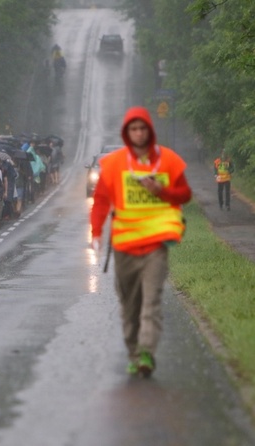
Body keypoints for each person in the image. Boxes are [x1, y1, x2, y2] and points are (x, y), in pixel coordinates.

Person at [90, 106, 192, 377]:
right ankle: (134, 352)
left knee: (151, 301)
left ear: (150, 130)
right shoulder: (113, 164)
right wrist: (96, 233)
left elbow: (184, 195)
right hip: (125, 247)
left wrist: (162, 190)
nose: (138, 133)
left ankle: (146, 352)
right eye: (133, 129)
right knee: (130, 305)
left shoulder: (168, 161)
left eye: (142, 128)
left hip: (156, 246)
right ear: (127, 132)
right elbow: (100, 200)